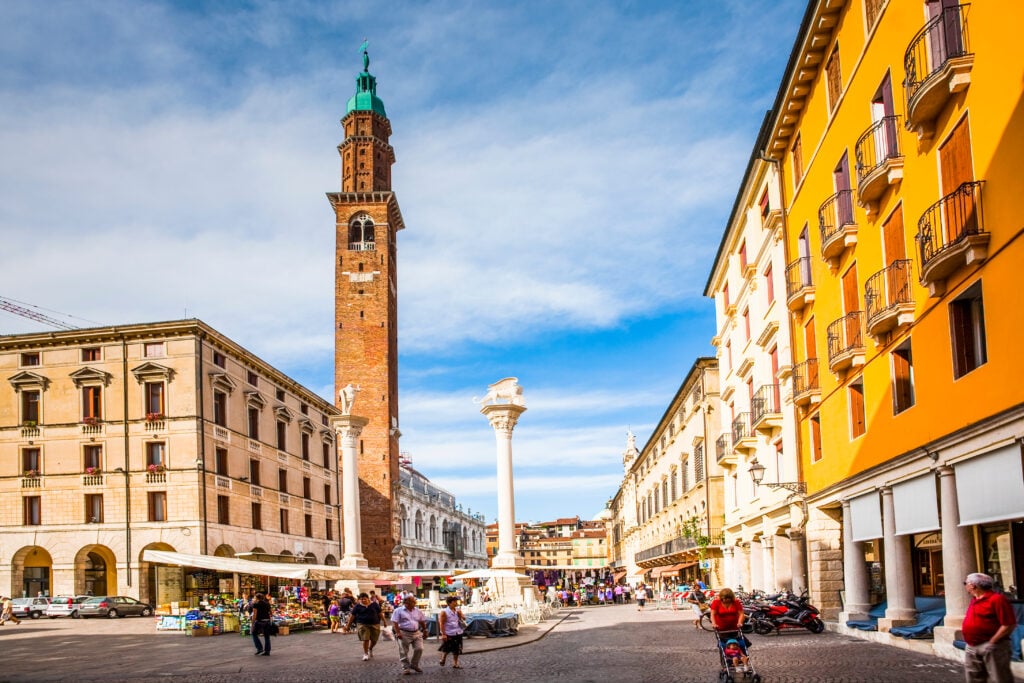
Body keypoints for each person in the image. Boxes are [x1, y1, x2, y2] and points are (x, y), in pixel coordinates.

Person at [962, 572, 1016, 683]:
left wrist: (992, 642)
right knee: (974, 678)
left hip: (992, 646)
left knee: (1000, 678)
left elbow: (1009, 624)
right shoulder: (975, 599)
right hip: (972, 645)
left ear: (972, 585)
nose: (965, 586)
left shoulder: (997, 599)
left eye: (965, 583)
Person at [391, 595, 427, 675]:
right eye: (411, 602)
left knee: (419, 648)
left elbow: (421, 621)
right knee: (403, 651)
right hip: (404, 632)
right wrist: (398, 632)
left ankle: (414, 664)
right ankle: (406, 667)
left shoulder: (417, 610)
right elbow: (395, 622)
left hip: (416, 632)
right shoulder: (398, 610)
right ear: (405, 603)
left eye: (414, 602)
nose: (413, 603)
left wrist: (425, 630)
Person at [347, 592, 383, 661]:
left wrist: (384, 621)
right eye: (361, 599)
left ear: (368, 598)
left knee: (374, 640)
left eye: (364, 599)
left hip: (375, 624)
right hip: (362, 624)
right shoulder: (357, 606)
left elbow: (380, 613)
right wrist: (348, 625)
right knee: (365, 639)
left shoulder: (374, 604)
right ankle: (365, 654)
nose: (363, 600)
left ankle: (370, 648)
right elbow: (352, 616)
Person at [437, 595, 466, 669]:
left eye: (456, 601)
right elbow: (441, 623)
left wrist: (461, 615)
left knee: (457, 648)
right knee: (447, 648)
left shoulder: (457, 610)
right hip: (449, 632)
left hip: (458, 631)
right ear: (449, 603)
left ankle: (455, 663)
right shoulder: (444, 612)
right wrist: (443, 634)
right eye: (454, 602)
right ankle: (443, 658)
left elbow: (463, 618)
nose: (456, 603)